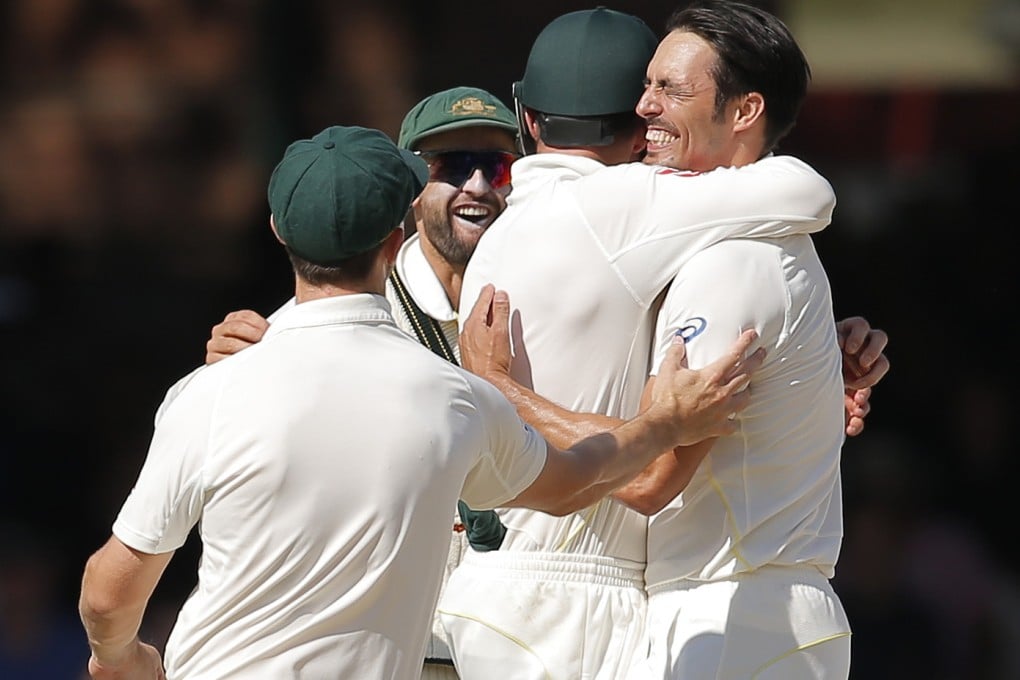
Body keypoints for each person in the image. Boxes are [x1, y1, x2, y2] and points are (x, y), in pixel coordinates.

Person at [76, 124, 766, 680]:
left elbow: (107, 592)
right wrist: (663, 424)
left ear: (280, 232)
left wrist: (123, 660)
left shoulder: (213, 391)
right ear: (393, 239)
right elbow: (575, 481)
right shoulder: (455, 399)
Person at [446, 3, 889, 679]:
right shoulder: (671, 225)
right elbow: (807, 190)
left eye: (669, 91)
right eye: (643, 92)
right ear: (625, 127)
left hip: (714, 610)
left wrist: (810, 364)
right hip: (614, 605)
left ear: (527, 120)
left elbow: (657, 473)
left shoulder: (514, 235)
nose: (650, 108)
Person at [200, 85, 521, 680]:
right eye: (451, 166)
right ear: (409, 191)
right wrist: (237, 363)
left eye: (497, 165)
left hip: (513, 648)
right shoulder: (317, 320)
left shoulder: (551, 299)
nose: (477, 186)